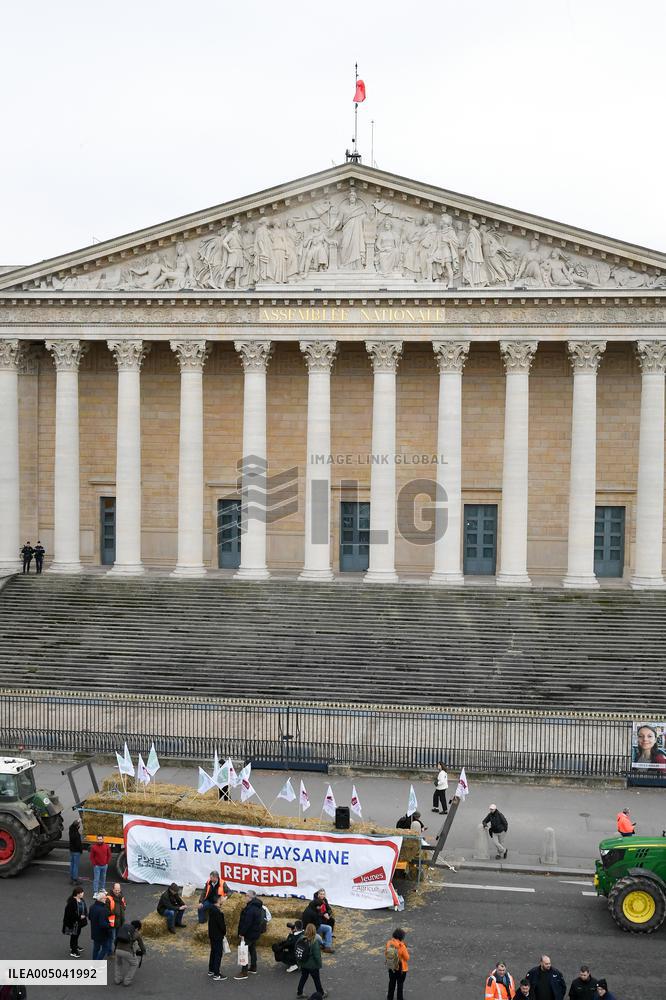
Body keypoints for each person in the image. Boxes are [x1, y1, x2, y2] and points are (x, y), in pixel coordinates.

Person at [234, 889, 264, 979]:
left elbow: (247, 923)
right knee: (252, 949)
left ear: (250, 897)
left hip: (249, 934)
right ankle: (253, 967)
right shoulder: (258, 906)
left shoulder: (251, 909)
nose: (245, 897)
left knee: (244, 951)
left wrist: (241, 933)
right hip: (255, 932)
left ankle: (244, 972)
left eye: (246, 896)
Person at [295, 923, 327, 999]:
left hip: (303, 963)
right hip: (312, 966)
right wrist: (319, 965)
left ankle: (299, 992)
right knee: (316, 980)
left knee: (303, 977)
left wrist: (299, 962)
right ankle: (321, 993)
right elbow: (317, 956)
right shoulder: (314, 941)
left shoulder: (301, 938)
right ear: (314, 931)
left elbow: (296, 949)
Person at [113, 918, 146, 988]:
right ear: (137, 928)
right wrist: (143, 951)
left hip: (117, 950)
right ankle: (127, 980)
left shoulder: (123, 929)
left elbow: (115, 940)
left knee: (118, 963)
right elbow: (141, 944)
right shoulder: (136, 933)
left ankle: (117, 979)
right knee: (134, 964)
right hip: (127, 951)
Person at [206, 895, 228, 982]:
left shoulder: (211, 909)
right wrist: (224, 932)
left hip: (212, 934)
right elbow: (222, 926)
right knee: (218, 954)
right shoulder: (218, 913)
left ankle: (211, 970)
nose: (223, 900)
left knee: (213, 952)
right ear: (218, 900)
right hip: (217, 935)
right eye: (222, 898)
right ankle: (216, 974)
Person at [62, 885, 87, 958]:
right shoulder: (71, 903)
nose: (83, 894)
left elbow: (84, 908)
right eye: (82, 893)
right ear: (77, 893)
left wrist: (85, 914)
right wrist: (80, 917)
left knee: (76, 935)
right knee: (74, 936)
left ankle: (74, 946)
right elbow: (70, 914)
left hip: (79, 922)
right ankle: (73, 951)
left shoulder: (81, 900)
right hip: (73, 923)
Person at [385, 927, 409, 1000]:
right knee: (400, 984)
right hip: (401, 969)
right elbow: (407, 958)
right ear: (401, 937)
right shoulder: (402, 946)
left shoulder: (389, 943)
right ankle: (399, 998)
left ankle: (390, 997)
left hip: (391, 966)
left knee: (391, 983)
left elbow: (386, 953)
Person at [89, 890, 113, 960]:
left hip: (94, 932)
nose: (106, 899)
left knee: (96, 949)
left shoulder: (92, 907)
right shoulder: (103, 910)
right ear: (101, 899)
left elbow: (90, 917)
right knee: (105, 948)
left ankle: (94, 963)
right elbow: (102, 924)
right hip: (102, 934)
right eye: (105, 898)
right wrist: (110, 925)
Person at [68, 819, 83, 884]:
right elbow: (78, 845)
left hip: (71, 850)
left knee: (72, 864)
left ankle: (72, 877)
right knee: (76, 866)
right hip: (76, 851)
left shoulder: (71, 830)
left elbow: (72, 825)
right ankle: (75, 879)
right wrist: (81, 850)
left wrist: (77, 820)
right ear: (77, 827)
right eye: (79, 824)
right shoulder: (77, 835)